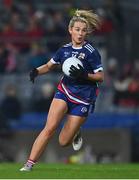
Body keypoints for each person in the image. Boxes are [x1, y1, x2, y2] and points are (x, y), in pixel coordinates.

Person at [20, 9, 104, 171]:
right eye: (77, 30)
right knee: (49, 128)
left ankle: (75, 131)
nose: (80, 34)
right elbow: (49, 66)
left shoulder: (91, 52)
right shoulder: (64, 50)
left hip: (84, 98)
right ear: (70, 30)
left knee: (63, 142)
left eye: (83, 30)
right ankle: (29, 164)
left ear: (86, 32)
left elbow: (100, 77)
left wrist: (84, 74)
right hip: (65, 91)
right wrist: (36, 71)